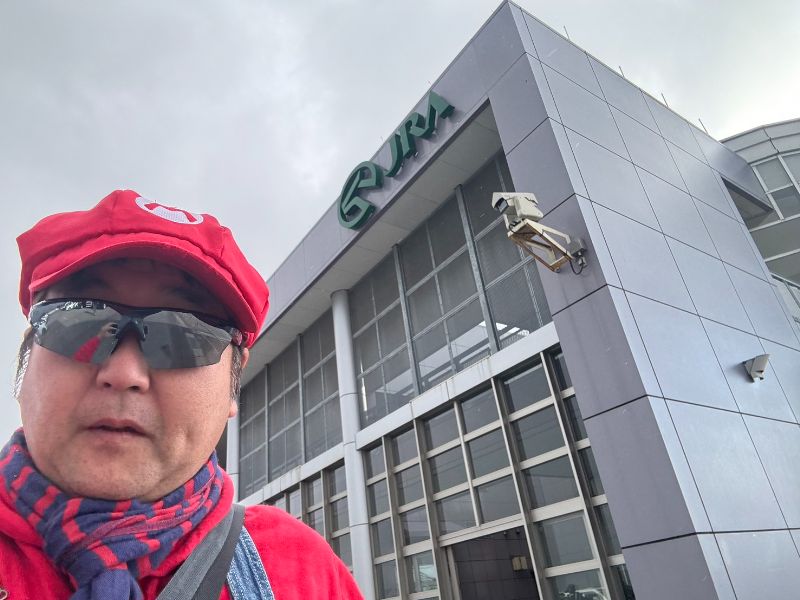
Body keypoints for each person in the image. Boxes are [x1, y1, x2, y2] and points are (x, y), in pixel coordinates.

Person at [0, 190, 364, 599]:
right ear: (25, 360)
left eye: (183, 337)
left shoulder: (301, 572)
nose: (124, 374)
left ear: (233, 384)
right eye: (79, 321)